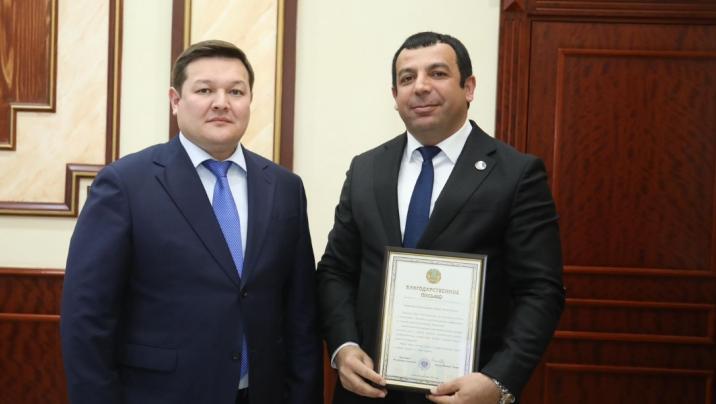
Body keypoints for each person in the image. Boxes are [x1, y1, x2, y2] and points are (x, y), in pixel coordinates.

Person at [61, 40, 322, 404]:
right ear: (175, 100)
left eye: (236, 91)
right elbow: (87, 317)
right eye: (204, 90)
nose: (221, 102)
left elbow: (301, 315)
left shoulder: (284, 187)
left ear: (250, 100)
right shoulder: (125, 184)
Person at [317, 32, 565, 404]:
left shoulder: (516, 174)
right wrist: (343, 347)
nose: (420, 87)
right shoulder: (366, 169)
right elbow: (336, 270)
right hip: (368, 391)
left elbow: (541, 290)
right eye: (407, 78)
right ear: (395, 96)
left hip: (466, 394)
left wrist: (499, 380)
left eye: (437, 73)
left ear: (469, 87)